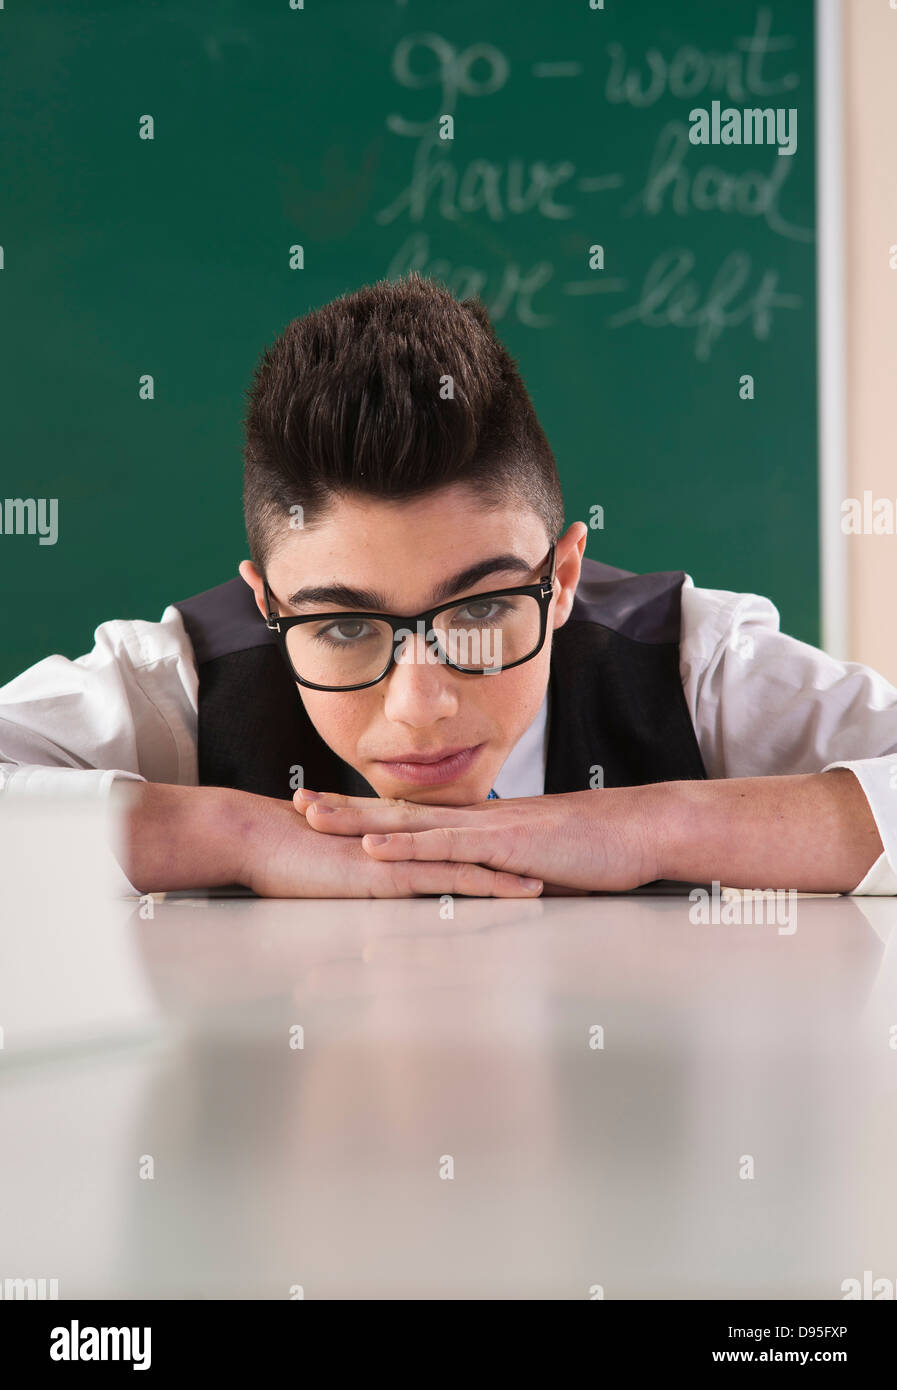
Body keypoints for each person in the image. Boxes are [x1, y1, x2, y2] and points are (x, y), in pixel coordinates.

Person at [1, 274, 895, 898]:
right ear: (266, 607)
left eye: (479, 611)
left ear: (565, 575)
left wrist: (651, 825)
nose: (419, 706)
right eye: (345, 627)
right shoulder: (180, 682)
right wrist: (236, 838)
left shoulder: (694, 665)